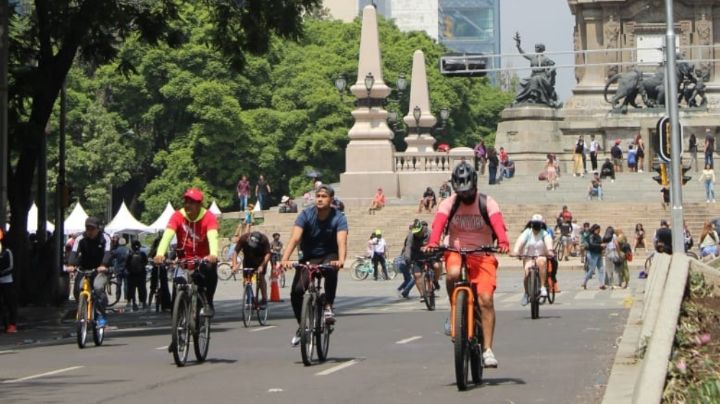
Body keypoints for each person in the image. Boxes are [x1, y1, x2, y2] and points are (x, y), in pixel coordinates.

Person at [424, 162, 510, 368]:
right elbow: (438, 225)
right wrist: (432, 243)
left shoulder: (487, 202)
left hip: (482, 254)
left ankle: (488, 349)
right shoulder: (448, 203)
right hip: (456, 251)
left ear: (475, 186)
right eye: (461, 192)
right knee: (452, 274)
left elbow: (498, 224)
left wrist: (504, 242)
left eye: (468, 191)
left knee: (486, 299)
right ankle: (455, 312)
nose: (465, 196)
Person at [279, 184, 347, 346]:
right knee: (296, 292)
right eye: (318, 196)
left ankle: (329, 305)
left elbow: (342, 240)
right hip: (308, 256)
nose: (320, 199)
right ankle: (302, 326)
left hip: (329, 254)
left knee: (331, 269)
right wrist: (284, 259)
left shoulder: (338, 217)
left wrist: (341, 259)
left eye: (324, 196)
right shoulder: (306, 215)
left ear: (331, 199)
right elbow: (295, 238)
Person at [153, 187, 219, 315]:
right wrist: (160, 254)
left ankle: (208, 302)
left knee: (211, 269)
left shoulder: (208, 217)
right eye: (186, 202)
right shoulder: (178, 216)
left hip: (203, 258)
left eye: (192, 202)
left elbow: (213, 237)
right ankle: (178, 313)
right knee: (178, 285)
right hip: (184, 258)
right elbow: (167, 236)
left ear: (199, 204)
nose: (188, 205)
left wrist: (213, 254)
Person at [67, 217, 112, 327]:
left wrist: (103, 265)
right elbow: (74, 252)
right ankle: (83, 310)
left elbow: (108, 252)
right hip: (84, 268)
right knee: (78, 289)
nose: (90, 231)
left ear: (98, 229)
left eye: (92, 229)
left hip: (100, 268)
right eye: (88, 228)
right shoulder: (80, 238)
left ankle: (101, 315)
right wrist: (71, 265)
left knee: (97, 288)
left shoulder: (105, 238)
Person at [512, 214, 554, 306]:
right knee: (527, 274)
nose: (536, 226)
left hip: (541, 255)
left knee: (542, 262)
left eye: (538, 224)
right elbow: (520, 241)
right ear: (531, 224)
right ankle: (527, 293)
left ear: (542, 224)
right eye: (535, 224)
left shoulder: (544, 233)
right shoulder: (527, 232)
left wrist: (550, 250)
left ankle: (542, 287)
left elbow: (548, 242)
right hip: (528, 257)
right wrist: (516, 251)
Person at [512, 32, 560, 107]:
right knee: (522, 81)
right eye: (535, 47)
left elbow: (553, 66)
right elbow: (523, 54)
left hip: (542, 77)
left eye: (537, 47)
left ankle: (533, 96)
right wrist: (518, 46)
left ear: (541, 49)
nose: (535, 48)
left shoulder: (545, 59)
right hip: (533, 75)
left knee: (536, 79)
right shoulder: (533, 57)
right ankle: (519, 98)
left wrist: (550, 71)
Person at [231, 231, 271, 305]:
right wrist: (234, 265)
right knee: (246, 279)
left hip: (260, 260)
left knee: (261, 278)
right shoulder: (244, 238)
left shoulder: (264, 239)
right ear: (249, 238)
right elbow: (236, 251)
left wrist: (262, 266)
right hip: (248, 260)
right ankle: (249, 297)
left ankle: (264, 298)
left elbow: (268, 254)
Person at [398, 220, 427, 298]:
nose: (417, 234)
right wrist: (408, 258)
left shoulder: (428, 233)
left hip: (422, 256)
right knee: (414, 277)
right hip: (409, 259)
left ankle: (402, 290)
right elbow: (408, 247)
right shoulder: (410, 236)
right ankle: (405, 292)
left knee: (409, 279)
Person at [0, 229, 18, 333]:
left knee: (10, 303)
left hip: (7, 281)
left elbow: (11, 267)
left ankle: (12, 324)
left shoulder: (7, 252)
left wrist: (2, 273)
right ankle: (5, 324)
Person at [125, 240, 148, 311]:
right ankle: (142, 302)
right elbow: (146, 262)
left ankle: (131, 302)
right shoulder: (143, 254)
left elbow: (126, 264)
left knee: (131, 289)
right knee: (142, 289)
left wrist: (129, 270)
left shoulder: (130, 254)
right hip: (141, 274)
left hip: (131, 275)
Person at [583, 224, 606, 290]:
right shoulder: (591, 236)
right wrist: (600, 245)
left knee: (601, 269)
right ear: (594, 229)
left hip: (599, 254)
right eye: (597, 229)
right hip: (592, 254)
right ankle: (585, 281)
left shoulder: (598, 236)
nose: (599, 230)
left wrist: (603, 247)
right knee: (592, 269)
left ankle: (602, 284)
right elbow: (591, 244)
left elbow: (600, 243)